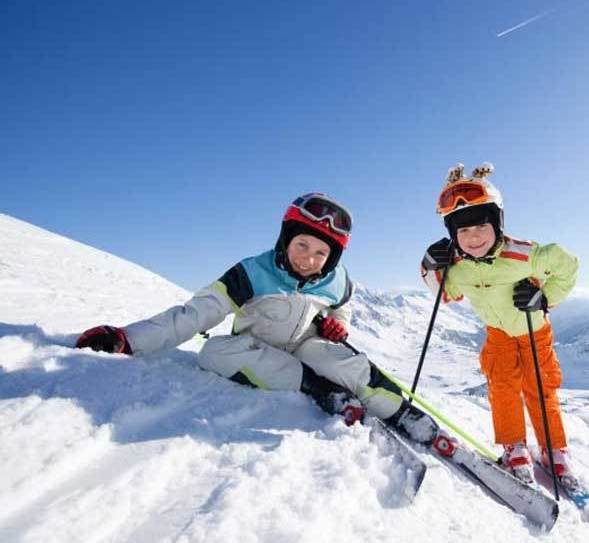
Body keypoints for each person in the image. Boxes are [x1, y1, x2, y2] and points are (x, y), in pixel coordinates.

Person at [76, 192, 455, 455]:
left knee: (344, 361)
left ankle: (402, 412)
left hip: (306, 343)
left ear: (334, 257)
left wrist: (337, 324)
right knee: (213, 352)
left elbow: (344, 306)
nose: (309, 259)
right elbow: (196, 313)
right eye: (302, 245)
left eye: (322, 253)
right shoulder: (251, 272)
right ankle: (318, 388)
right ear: (285, 239)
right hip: (257, 348)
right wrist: (128, 339)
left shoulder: (336, 280)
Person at [419, 163, 579, 484]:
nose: (473, 237)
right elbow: (445, 294)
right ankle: (514, 446)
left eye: (480, 227)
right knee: (502, 387)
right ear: (453, 235)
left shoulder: (524, 255)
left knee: (540, 388)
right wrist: (431, 267)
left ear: (498, 223)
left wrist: (544, 298)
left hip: (535, 333)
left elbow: (568, 264)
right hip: (498, 335)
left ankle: (553, 449)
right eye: (462, 231)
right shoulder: (459, 267)